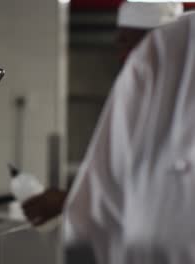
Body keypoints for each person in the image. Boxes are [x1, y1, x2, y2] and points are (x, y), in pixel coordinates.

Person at [22, 1, 183, 227]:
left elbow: (167, 195)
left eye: (128, 42)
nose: (121, 54)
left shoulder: (181, 105)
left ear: (160, 44)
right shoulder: (142, 97)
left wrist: (68, 201)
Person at [64, 11, 195, 264]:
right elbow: (89, 227)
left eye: (129, 41)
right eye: (120, 42)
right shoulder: (166, 54)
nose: (123, 53)